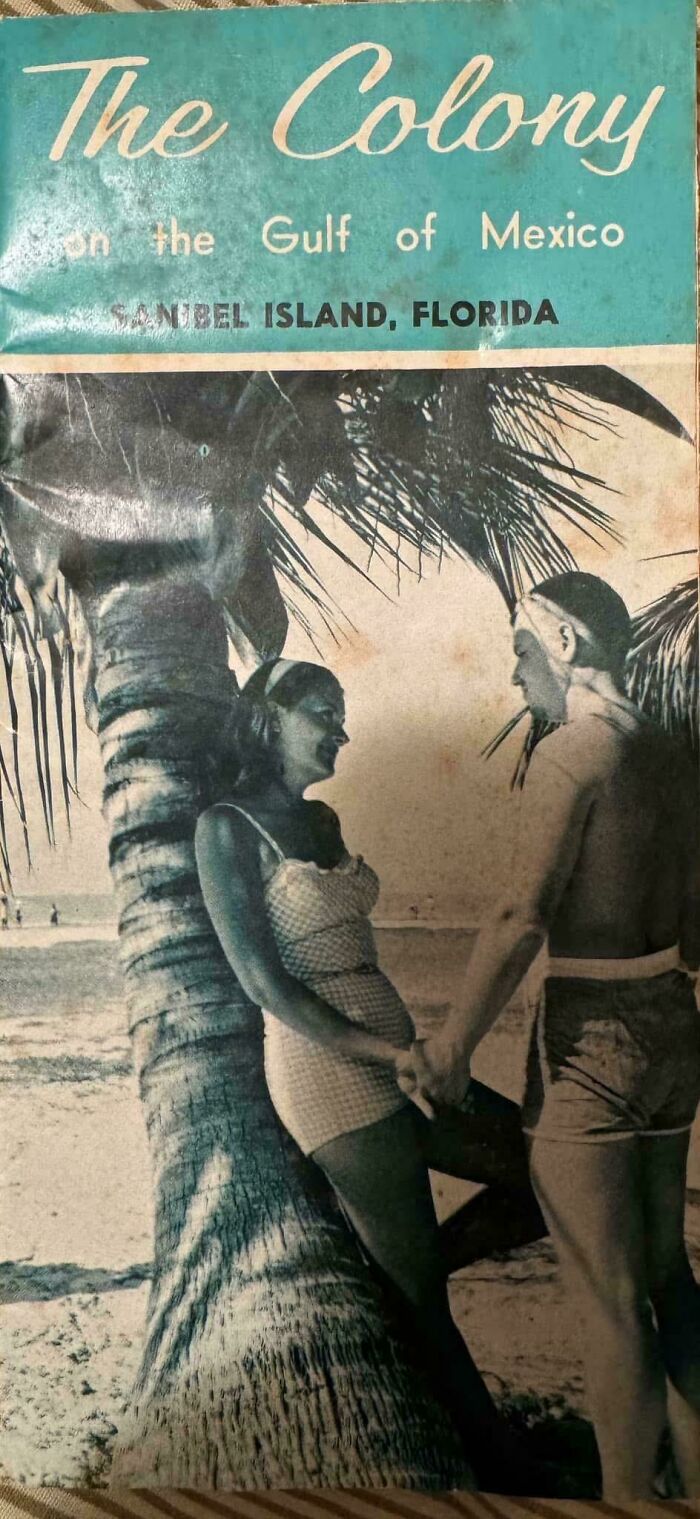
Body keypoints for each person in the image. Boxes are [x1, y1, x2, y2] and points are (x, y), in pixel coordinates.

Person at [195, 656, 544, 1490]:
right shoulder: (225, 826)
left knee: (542, 1170)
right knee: (427, 1315)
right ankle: (508, 1478)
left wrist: (413, 1052)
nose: (341, 733)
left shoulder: (324, 821)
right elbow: (265, 984)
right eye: (325, 713)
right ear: (270, 716)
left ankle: (412, 1264)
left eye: (344, 716)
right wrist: (395, 1055)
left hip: (400, 1059)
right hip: (330, 1073)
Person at [417, 571, 700, 1499]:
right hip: (671, 1022)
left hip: (588, 1039)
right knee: (671, 1283)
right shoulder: (675, 754)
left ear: (566, 642)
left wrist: (454, 1042)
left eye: (520, 649)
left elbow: (519, 914)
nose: (513, 675)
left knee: (609, 1305)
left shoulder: (574, 753)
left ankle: (625, 1497)